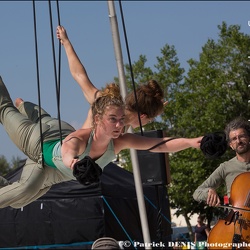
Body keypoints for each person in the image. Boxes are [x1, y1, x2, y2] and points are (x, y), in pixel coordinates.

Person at [0, 76, 202, 208]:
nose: (119, 125)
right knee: (4, 110)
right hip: (38, 142)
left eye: (122, 120)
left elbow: (159, 145)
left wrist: (193, 142)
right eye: (113, 120)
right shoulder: (81, 138)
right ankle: (21, 106)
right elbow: (68, 151)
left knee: (18, 202)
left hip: (53, 168)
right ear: (98, 120)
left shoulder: (120, 141)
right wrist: (75, 163)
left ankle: (26, 106)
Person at [56, 25, 166, 130]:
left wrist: (155, 106)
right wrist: (66, 42)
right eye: (150, 120)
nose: (148, 123)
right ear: (142, 116)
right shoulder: (105, 104)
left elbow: (80, 76)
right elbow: (79, 75)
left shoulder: (123, 125)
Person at [193, 116, 250, 207]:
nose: (238, 141)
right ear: (231, 145)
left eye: (242, 136)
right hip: (236, 218)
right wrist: (208, 193)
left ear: (248, 138)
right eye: (234, 139)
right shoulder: (226, 167)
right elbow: (197, 192)